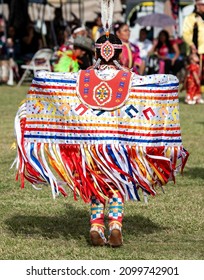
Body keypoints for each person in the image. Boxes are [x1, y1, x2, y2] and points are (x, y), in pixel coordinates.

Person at [13, 0, 189, 247]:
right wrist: (171, 83)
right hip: (118, 143)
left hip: (92, 143)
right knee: (116, 183)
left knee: (95, 183)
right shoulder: (130, 79)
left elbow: (54, 82)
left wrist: (40, 86)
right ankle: (115, 226)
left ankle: (96, 227)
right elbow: (161, 82)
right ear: (118, 52)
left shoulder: (82, 78)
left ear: (96, 53)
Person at [182, 0, 204, 101]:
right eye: (202, 5)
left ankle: (197, 95)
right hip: (195, 50)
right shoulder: (191, 18)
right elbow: (185, 33)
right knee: (193, 74)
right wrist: (191, 45)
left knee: (201, 75)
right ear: (197, 5)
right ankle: (190, 95)